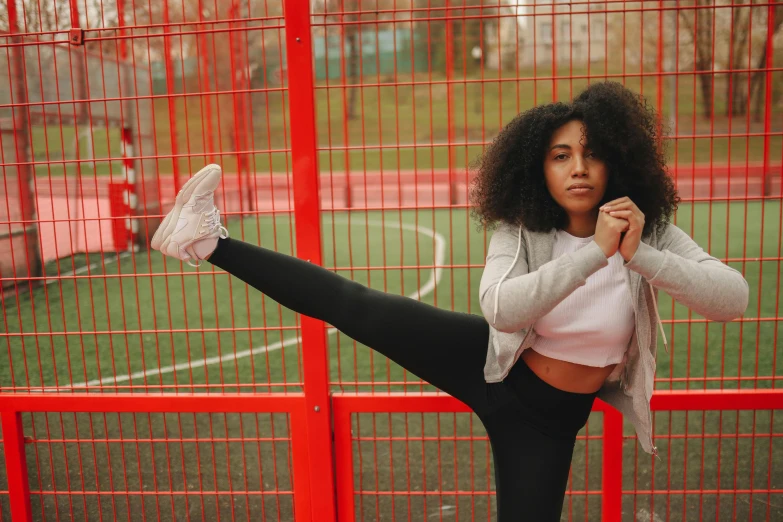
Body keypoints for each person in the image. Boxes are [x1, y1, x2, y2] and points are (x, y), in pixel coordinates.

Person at [151, 82, 749, 521]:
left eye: (592, 153)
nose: (578, 168)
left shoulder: (646, 229)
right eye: (560, 155)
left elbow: (732, 299)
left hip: (546, 423)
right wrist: (594, 253)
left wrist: (637, 252)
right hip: (491, 360)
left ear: (617, 160)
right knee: (355, 304)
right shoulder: (520, 228)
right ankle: (204, 239)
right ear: (536, 168)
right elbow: (502, 310)